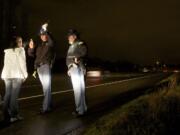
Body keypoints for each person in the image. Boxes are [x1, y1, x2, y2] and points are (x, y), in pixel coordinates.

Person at [28, 23, 55, 114]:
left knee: (46, 87)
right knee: (45, 88)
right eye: (42, 35)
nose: (43, 36)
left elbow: (51, 41)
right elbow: (31, 54)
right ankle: (50, 105)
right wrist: (31, 48)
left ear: (47, 35)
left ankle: (45, 108)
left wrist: (45, 30)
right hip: (39, 68)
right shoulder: (39, 46)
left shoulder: (50, 44)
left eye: (44, 35)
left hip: (46, 66)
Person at [1, 36, 28, 123]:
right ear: (16, 43)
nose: (21, 43)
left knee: (7, 94)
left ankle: (5, 114)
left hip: (7, 75)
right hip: (16, 75)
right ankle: (13, 116)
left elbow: (6, 64)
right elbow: (22, 64)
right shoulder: (20, 50)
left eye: (21, 41)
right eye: (19, 41)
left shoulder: (7, 51)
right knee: (14, 96)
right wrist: (25, 75)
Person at [66, 29, 88, 117]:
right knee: (81, 90)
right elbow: (68, 59)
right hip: (74, 68)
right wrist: (69, 67)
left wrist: (76, 58)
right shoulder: (72, 46)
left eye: (70, 36)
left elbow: (84, 51)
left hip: (76, 68)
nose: (68, 38)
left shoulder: (79, 43)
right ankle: (83, 109)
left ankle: (79, 110)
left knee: (78, 90)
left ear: (74, 36)